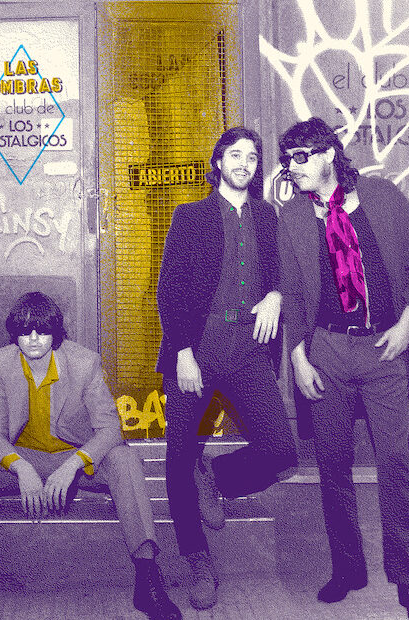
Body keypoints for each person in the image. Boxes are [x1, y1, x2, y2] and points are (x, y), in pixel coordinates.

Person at [0, 292, 181, 620]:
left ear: (55, 333)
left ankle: (148, 579)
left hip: (74, 457)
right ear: (15, 335)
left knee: (124, 460)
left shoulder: (84, 363)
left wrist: (72, 466)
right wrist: (21, 468)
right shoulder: (1, 363)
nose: (33, 339)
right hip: (25, 456)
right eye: (25, 331)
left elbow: (110, 430)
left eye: (41, 331)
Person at [276, 117, 409, 620]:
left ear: (328, 153)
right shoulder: (293, 216)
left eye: (301, 157)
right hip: (327, 351)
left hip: (385, 350)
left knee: (395, 465)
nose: (293, 167)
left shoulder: (381, 198)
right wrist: (298, 358)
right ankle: (348, 568)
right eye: (287, 160)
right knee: (333, 466)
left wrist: (407, 323)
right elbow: (292, 292)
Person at [156, 127, 298, 610]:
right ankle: (197, 561)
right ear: (218, 162)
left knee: (280, 450)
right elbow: (170, 289)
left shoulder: (267, 216)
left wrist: (276, 294)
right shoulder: (190, 216)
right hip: (196, 350)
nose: (243, 163)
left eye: (252, 157)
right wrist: (181, 352)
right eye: (235, 155)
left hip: (249, 351)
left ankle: (214, 476)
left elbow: (282, 273)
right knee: (178, 456)